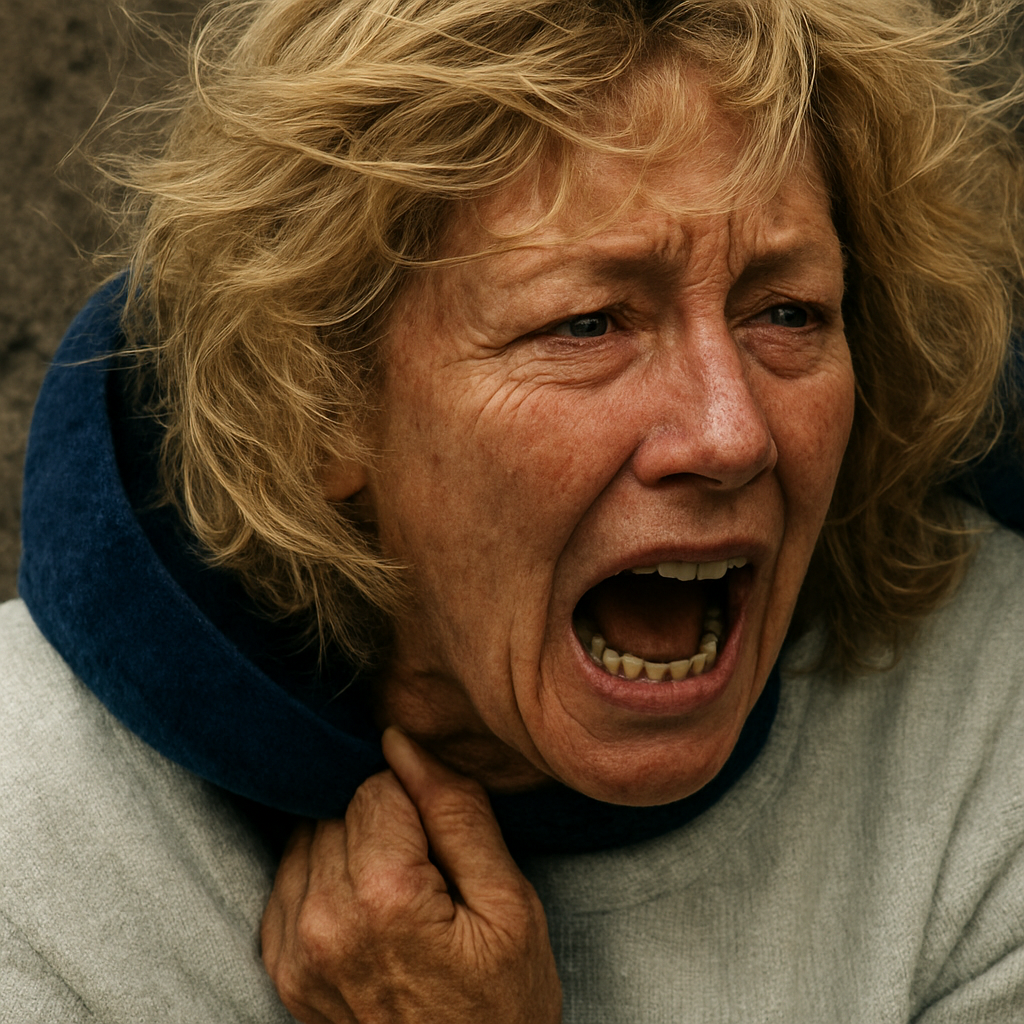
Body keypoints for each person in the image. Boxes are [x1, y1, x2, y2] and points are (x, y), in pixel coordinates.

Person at [3, 0, 1024, 1020]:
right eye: (586, 323)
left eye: (787, 312)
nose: (732, 433)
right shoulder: (37, 842)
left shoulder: (986, 731)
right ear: (324, 408)